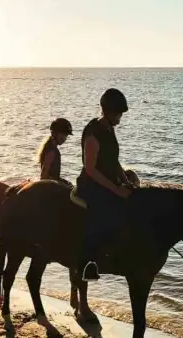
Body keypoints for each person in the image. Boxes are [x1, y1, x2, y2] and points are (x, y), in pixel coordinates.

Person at [77, 88, 133, 281]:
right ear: (107, 111)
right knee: (103, 213)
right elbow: (91, 169)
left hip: (109, 180)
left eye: (120, 114)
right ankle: (88, 263)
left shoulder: (109, 130)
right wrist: (116, 189)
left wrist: (126, 183)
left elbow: (114, 161)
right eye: (118, 114)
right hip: (92, 184)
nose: (120, 118)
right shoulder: (93, 134)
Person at [37, 118, 73, 186]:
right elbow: (43, 176)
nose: (64, 138)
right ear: (55, 133)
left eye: (66, 135)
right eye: (63, 134)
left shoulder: (50, 148)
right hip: (49, 186)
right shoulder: (52, 151)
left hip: (52, 183)